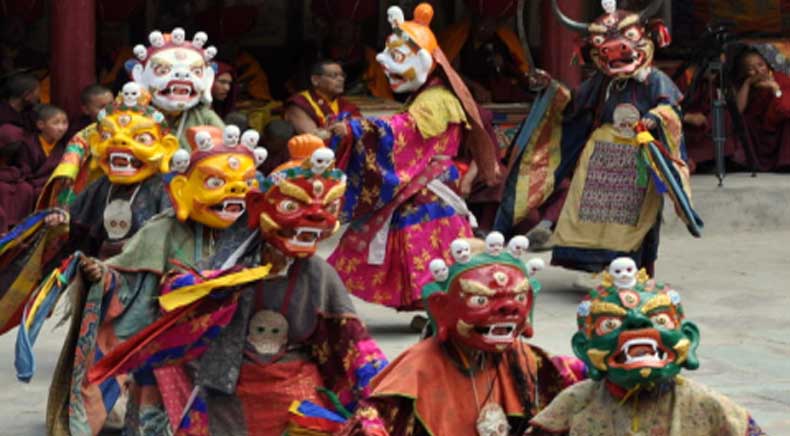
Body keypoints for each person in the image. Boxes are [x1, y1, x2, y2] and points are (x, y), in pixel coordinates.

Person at [84, 134, 387, 435]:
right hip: (226, 387)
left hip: (297, 393)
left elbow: (352, 340)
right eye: (293, 206)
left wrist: (380, 390)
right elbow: (175, 297)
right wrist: (214, 287)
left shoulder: (319, 274)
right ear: (258, 206)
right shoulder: (225, 262)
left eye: (329, 208)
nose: (315, 217)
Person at [48, 124, 266, 435]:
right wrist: (103, 277)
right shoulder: (162, 230)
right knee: (155, 415)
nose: (234, 192)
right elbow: (126, 277)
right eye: (216, 182)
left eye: (244, 184)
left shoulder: (255, 234)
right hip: (168, 341)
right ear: (180, 190)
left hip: (228, 342)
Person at [496, 0, 702, 277]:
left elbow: (671, 108)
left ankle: (636, 269)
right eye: (601, 43)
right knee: (593, 213)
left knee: (636, 216)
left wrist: (657, 116)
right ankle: (597, 266)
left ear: (649, 36)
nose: (617, 49)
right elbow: (574, 106)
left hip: (638, 156)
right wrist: (553, 89)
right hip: (600, 160)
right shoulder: (601, 82)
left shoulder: (654, 79)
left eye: (629, 37)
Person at [327, 3, 501, 313]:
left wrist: (355, 129)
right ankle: (433, 299)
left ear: (422, 60)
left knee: (427, 240)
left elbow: (400, 131)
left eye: (397, 58)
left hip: (428, 185)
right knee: (423, 241)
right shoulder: (429, 95)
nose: (385, 66)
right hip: (426, 185)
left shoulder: (435, 100)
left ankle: (438, 299)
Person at [340, 234, 583, 435]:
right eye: (480, 299)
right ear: (442, 307)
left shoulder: (519, 356)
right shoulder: (418, 367)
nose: (508, 309)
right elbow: (373, 418)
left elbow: (568, 375)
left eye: (518, 298)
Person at [528, 257, 765, 435]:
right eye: (610, 324)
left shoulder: (707, 405)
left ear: (689, 339)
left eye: (660, 320)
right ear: (584, 350)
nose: (637, 322)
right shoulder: (576, 402)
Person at [37, 28, 225, 210]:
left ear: (207, 79)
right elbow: (84, 141)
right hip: (132, 187)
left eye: (195, 72)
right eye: (162, 70)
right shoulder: (129, 111)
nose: (182, 76)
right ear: (139, 76)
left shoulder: (205, 117)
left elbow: (226, 155)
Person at [439, 0, 533, 103]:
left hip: (499, 98)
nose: (482, 28)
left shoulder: (504, 39)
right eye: (480, 22)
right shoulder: (460, 38)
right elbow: (450, 72)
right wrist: (475, 87)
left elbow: (521, 72)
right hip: (468, 95)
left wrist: (503, 65)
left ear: (496, 24)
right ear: (474, 20)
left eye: (489, 25)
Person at [733, 46, 790, 171]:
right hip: (758, 136)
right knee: (744, 121)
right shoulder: (747, 85)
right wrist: (747, 84)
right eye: (751, 69)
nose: (758, 71)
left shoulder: (781, 79)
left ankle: (785, 164)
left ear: (767, 65)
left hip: (778, 131)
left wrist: (775, 88)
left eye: (760, 65)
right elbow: (738, 111)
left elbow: (786, 109)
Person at [285, 60, 362, 139]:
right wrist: (338, 131)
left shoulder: (346, 105)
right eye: (334, 76)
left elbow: (361, 127)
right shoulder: (300, 103)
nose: (341, 79)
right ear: (315, 80)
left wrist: (348, 128)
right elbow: (313, 136)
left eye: (342, 75)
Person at [16, 104, 68, 197]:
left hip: (57, 187)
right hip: (35, 188)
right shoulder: (28, 144)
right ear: (41, 125)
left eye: (64, 123)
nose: (61, 128)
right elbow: (24, 173)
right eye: (56, 123)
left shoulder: (66, 145)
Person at [0, 124, 35, 232]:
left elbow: (24, 168)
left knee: (26, 189)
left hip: (13, 176)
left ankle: (19, 230)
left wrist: (16, 175)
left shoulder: (22, 148)